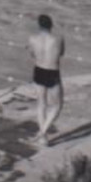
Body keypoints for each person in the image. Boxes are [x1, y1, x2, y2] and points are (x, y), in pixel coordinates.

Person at [27, 15, 65, 146]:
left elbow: (32, 54)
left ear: (39, 25)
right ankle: (42, 133)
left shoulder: (32, 39)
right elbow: (61, 53)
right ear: (51, 25)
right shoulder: (59, 39)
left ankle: (43, 137)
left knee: (41, 104)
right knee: (57, 106)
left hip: (38, 70)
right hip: (52, 71)